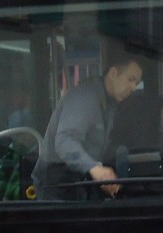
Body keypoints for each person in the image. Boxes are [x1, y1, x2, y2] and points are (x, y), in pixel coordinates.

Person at [32, 55, 143, 199]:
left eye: (137, 83)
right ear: (113, 73)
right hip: (56, 181)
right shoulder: (84, 98)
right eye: (130, 79)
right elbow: (64, 142)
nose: (133, 88)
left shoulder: (110, 103)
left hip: (79, 179)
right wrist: (94, 168)